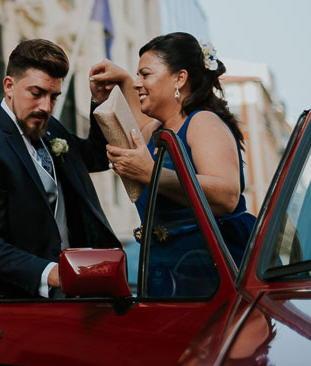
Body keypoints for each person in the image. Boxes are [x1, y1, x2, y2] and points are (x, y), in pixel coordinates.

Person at [0, 38, 120, 303]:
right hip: (13, 305)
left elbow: (97, 157)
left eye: (54, 97)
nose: (46, 107)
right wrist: (52, 273)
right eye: (36, 93)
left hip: (71, 302)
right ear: (9, 86)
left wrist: (100, 101)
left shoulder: (52, 129)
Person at [93, 32, 256, 275]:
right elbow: (133, 123)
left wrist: (151, 174)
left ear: (179, 78)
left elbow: (227, 195)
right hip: (168, 269)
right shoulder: (155, 130)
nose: (139, 83)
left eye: (145, 75)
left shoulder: (202, 122)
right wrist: (124, 81)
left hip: (213, 270)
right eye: (137, 76)